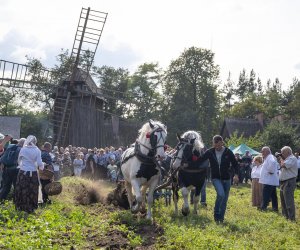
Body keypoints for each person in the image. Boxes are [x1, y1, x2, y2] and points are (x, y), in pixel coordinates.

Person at [196, 135, 239, 223]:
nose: (217, 147)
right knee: (221, 194)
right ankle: (216, 214)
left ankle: (221, 218)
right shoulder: (210, 152)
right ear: (213, 144)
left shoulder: (228, 152)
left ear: (222, 143)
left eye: (219, 145)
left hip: (227, 179)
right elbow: (200, 160)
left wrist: (236, 175)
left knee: (224, 199)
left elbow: (235, 164)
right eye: (215, 145)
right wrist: (191, 160)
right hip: (216, 178)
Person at [14, 135, 44, 213]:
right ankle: (31, 207)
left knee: (22, 188)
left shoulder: (23, 149)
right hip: (33, 173)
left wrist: (22, 165)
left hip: (22, 172)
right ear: (35, 142)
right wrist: (42, 167)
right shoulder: (37, 150)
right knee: (32, 190)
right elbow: (40, 163)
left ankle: (20, 206)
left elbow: (19, 160)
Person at [278, 146, 298, 221]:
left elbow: (284, 165)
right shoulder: (286, 159)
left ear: (288, 152)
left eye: (282, 153)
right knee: (283, 200)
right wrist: (282, 159)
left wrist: (280, 159)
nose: (281, 154)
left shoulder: (292, 158)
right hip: (284, 181)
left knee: (289, 200)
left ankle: (291, 218)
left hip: (289, 181)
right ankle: (285, 216)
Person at [259, 146, 279, 212]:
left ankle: (263, 208)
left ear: (267, 151)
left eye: (263, 151)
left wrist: (271, 171)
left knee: (266, 195)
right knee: (273, 195)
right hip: (270, 181)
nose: (262, 153)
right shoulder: (269, 157)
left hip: (268, 181)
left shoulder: (270, 157)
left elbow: (273, 163)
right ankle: (275, 208)